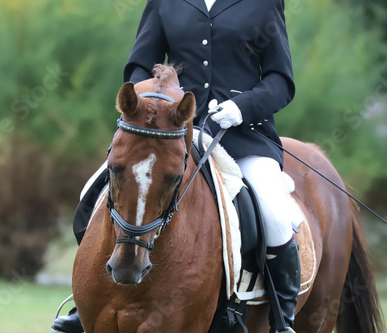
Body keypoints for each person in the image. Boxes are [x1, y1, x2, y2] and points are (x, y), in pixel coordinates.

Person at [53, 0, 300, 332]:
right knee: (93, 195)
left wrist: (242, 108)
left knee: (274, 216)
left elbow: (280, 80)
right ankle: (88, 301)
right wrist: (156, 103)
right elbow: (139, 68)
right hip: (168, 132)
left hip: (241, 135)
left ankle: (281, 321)